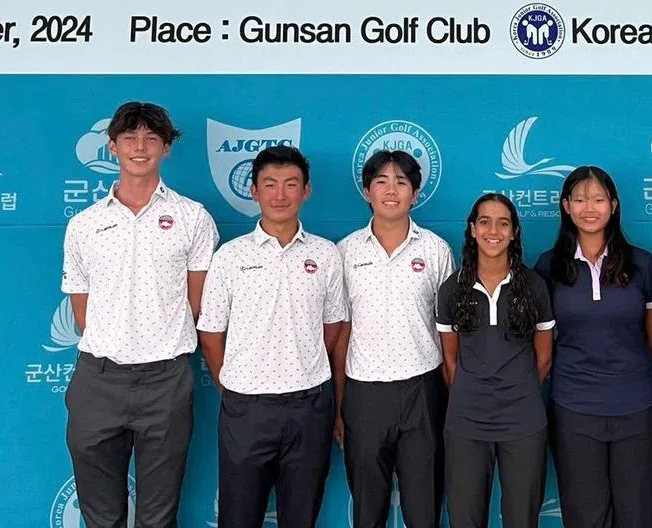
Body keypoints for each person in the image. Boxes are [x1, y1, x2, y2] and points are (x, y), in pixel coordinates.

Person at [61, 101, 219, 528]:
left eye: (151, 138)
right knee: (102, 517)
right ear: (112, 147)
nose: (140, 146)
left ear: (167, 148)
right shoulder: (84, 225)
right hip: (98, 381)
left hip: (166, 382)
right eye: (129, 137)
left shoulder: (192, 218)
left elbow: (195, 303)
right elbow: (82, 313)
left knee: (157, 517)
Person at [197, 145, 346, 528]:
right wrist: (233, 384)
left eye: (291, 184)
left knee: (301, 516)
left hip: (309, 407)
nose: (280, 194)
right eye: (270, 184)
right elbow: (211, 335)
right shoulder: (229, 257)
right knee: (239, 517)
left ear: (306, 191)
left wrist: (302, 365)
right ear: (254, 191)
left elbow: (332, 328)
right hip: (246, 410)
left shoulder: (326, 255)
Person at [532, 166, 652, 528]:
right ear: (566, 206)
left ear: (614, 205)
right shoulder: (549, 265)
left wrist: (624, 369)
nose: (588, 207)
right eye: (579, 199)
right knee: (584, 516)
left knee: (639, 515)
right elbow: (542, 340)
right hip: (573, 410)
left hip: (637, 408)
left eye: (598, 199)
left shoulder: (642, 263)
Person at [333, 150, 455, 528]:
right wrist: (339, 404)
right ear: (367, 191)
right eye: (381, 182)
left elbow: (450, 333)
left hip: (423, 389)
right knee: (368, 510)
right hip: (364, 393)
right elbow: (340, 333)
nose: (391, 190)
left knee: (424, 507)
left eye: (401, 182)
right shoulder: (344, 252)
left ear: (414, 194)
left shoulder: (435, 249)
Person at [435, 193, 555, 528]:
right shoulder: (451, 289)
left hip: (523, 421)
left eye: (503, 223)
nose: (493, 230)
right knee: (465, 518)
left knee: (521, 518)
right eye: (485, 222)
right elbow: (451, 361)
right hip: (466, 422)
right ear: (472, 229)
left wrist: (517, 393)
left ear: (515, 232)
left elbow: (543, 359)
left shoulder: (534, 286)